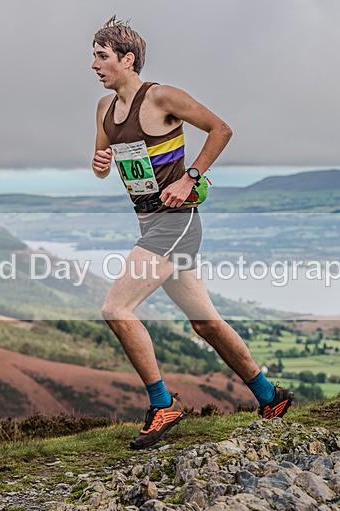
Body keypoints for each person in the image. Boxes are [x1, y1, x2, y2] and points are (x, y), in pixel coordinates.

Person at [90, 16, 293, 449]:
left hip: (176, 223)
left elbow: (222, 129)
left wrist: (191, 176)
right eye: (94, 56)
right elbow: (101, 157)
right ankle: (270, 397)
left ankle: (162, 404)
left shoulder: (163, 96)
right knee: (205, 323)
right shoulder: (104, 109)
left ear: (128, 60)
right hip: (148, 219)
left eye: (102, 56)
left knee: (116, 308)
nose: (94, 65)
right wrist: (99, 164)